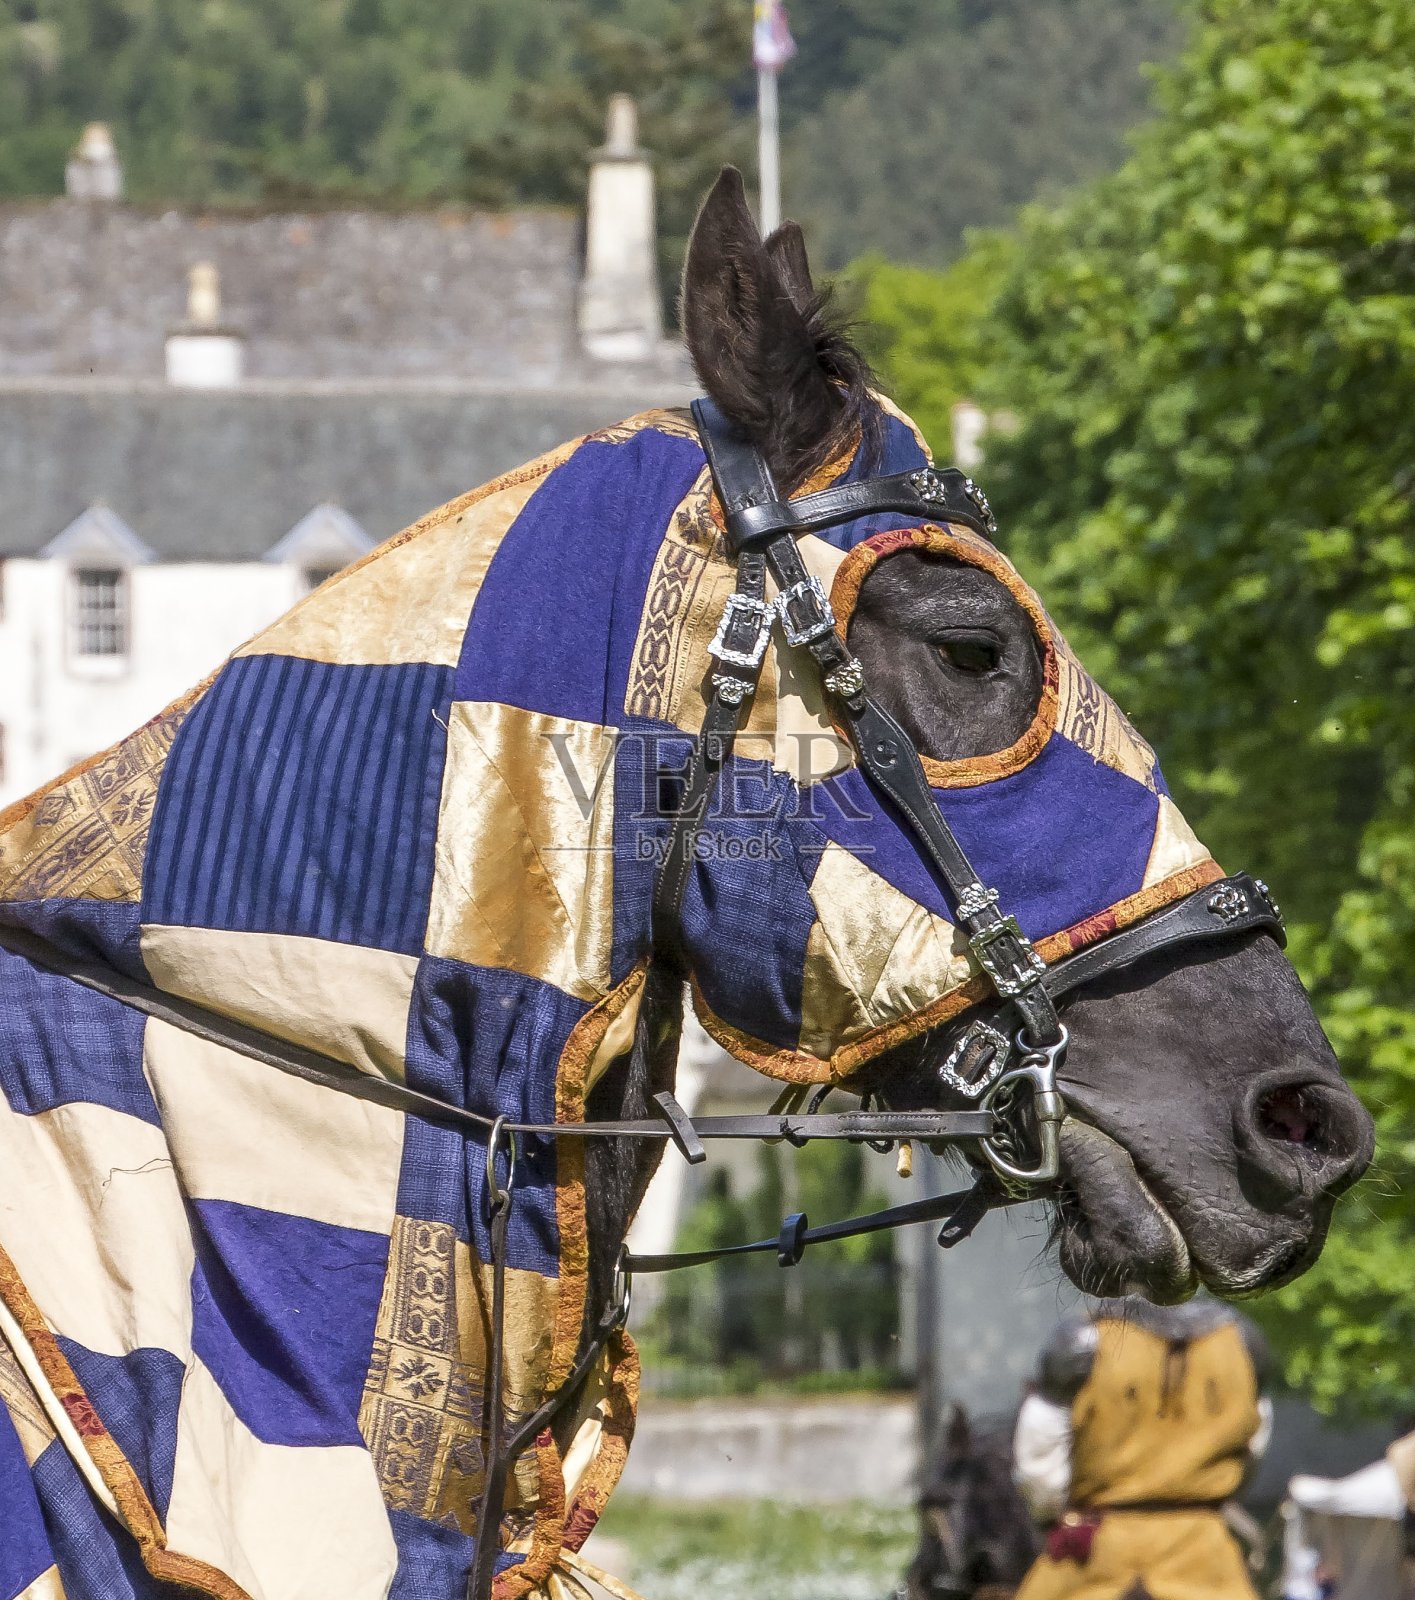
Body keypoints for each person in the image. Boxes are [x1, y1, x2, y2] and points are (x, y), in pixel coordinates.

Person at [1011, 1297, 1273, 1600]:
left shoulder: (1082, 1339)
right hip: (1204, 1553)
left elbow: (1039, 1465)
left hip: (1100, 1556)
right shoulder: (1239, 1338)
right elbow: (1253, 1444)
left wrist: (1056, 1517)